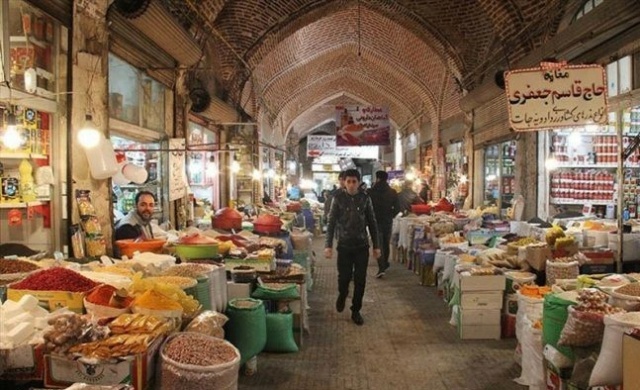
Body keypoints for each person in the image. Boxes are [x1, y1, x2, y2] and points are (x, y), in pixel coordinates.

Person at [324, 169, 380, 326]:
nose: (351, 185)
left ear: (358, 182)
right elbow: (331, 223)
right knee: (344, 278)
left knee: (360, 280)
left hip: (361, 245)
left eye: (354, 182)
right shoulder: (338, 198)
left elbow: (372, 222)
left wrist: (376, 246)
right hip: (344, 245)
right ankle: (342, 294)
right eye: (348, 181)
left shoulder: (365, 198)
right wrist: (328, 245)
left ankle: (356, 310)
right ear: (344, 182)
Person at [369, 171, 399, 278]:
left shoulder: (371, 192)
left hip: (375, 221)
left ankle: (381, 267)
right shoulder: (392, 192)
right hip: (387, 221)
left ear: (377, 178)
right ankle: (385, 263)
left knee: (378, 244)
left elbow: (367, 208)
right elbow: (397, 208)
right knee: (386, 243)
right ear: (386, 179)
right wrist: (391, 215)